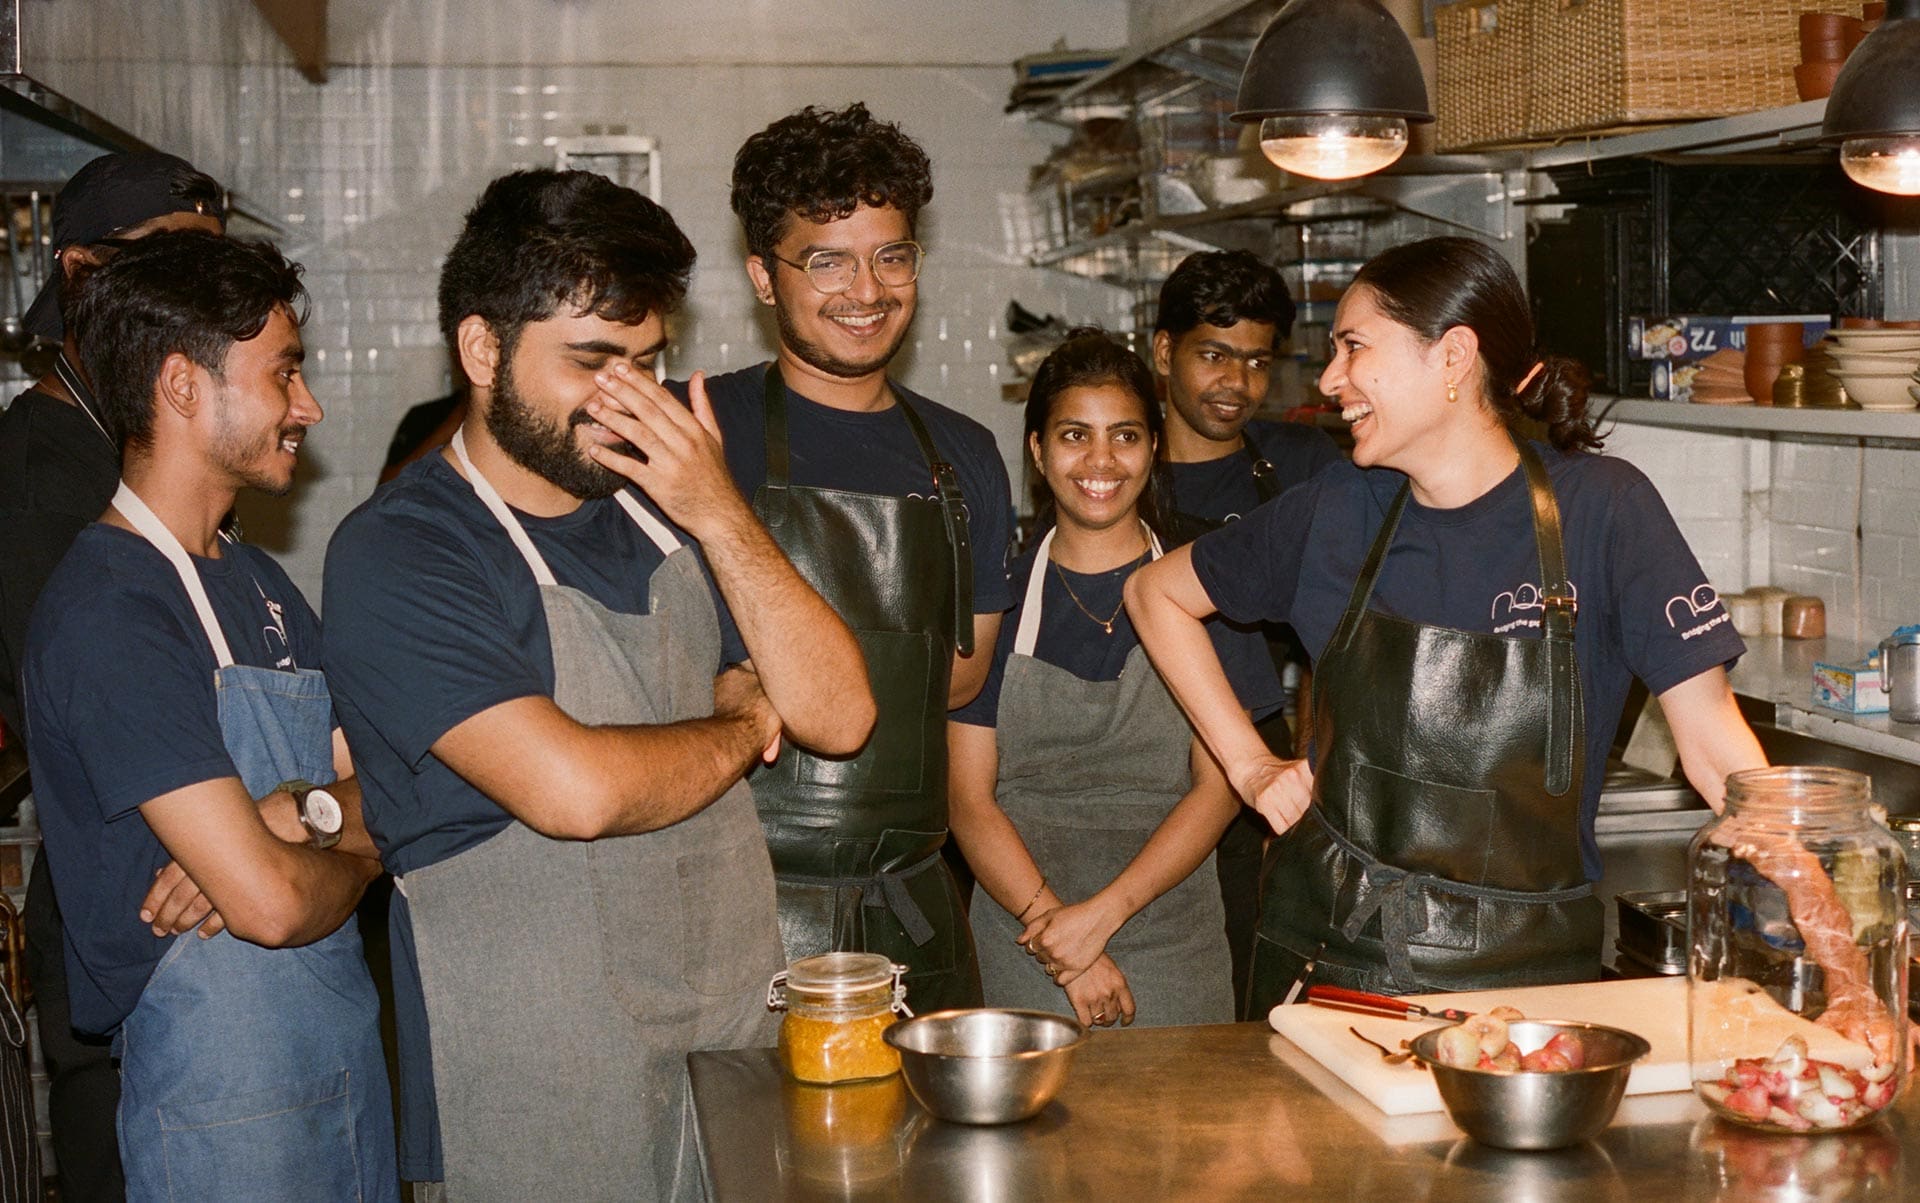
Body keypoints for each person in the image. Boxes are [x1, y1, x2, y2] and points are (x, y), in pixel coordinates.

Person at [322, 169, 872, 1202]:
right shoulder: (403, 553)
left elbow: (840, 715)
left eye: (648, 364)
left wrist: (720, 511)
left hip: (723, 1063)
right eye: (592, 362)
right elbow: (575, 793)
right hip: (531, 1102)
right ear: (482, 350)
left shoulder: (666, 512)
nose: (631, 397)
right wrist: (743, 719)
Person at [1126, 237, 1765, 1012]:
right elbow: (1155, 594)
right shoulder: (1336, 510)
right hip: (1333, 974)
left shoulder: (1604, 511)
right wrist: (1248, 765)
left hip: (1530, 990)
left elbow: (1715, 747)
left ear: (1454, 357)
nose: (1331, 380)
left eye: (1354, 346)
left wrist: (1828, 925)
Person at [21, 230, 397, 1201]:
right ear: (184, 387)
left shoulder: (260, 584)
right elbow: (271, 905)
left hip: (346, 1074)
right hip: (223, 1106)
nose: (306, 407)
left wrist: (302, 814)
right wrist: (350, 848)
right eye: (284, 375)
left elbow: (389, 786)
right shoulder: (111, 612)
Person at [685, 103, 1014, 1013]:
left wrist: (769, 674)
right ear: (762, 274)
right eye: (826, 258)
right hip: (734, 909)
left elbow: (962, 678)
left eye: (892, 254)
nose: (865, 289)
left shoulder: (966, 455)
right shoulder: (697, 429)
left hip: (914, 909)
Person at [0, 150, 225, 1203]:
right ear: (83, 275)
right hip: (127, 905)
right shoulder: (46, 476)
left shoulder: (150, 443)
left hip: (207, 880)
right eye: (170, 273)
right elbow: (89, 714)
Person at [950, 330, 1276, 1029]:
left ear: (1154, 446)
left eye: (1124, 435)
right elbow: (968, 801)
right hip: (1026, 949)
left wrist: (1102, 915)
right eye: (1074, 434)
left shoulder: (1208, 587)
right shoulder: (995, 600)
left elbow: (1220, 788)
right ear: (1037, 450)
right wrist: (1059, 934)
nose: (1101, 460)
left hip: (1173, 946)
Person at [1150, 249, 1341, 1018]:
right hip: (1147, 766)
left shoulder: (1302, 467)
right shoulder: (1115, 465)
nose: (1237, 383)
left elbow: (1342, 637)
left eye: (1258, 361)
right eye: (1214, 355)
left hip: (1267, 771)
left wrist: (1294, 774)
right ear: (1164, 351)